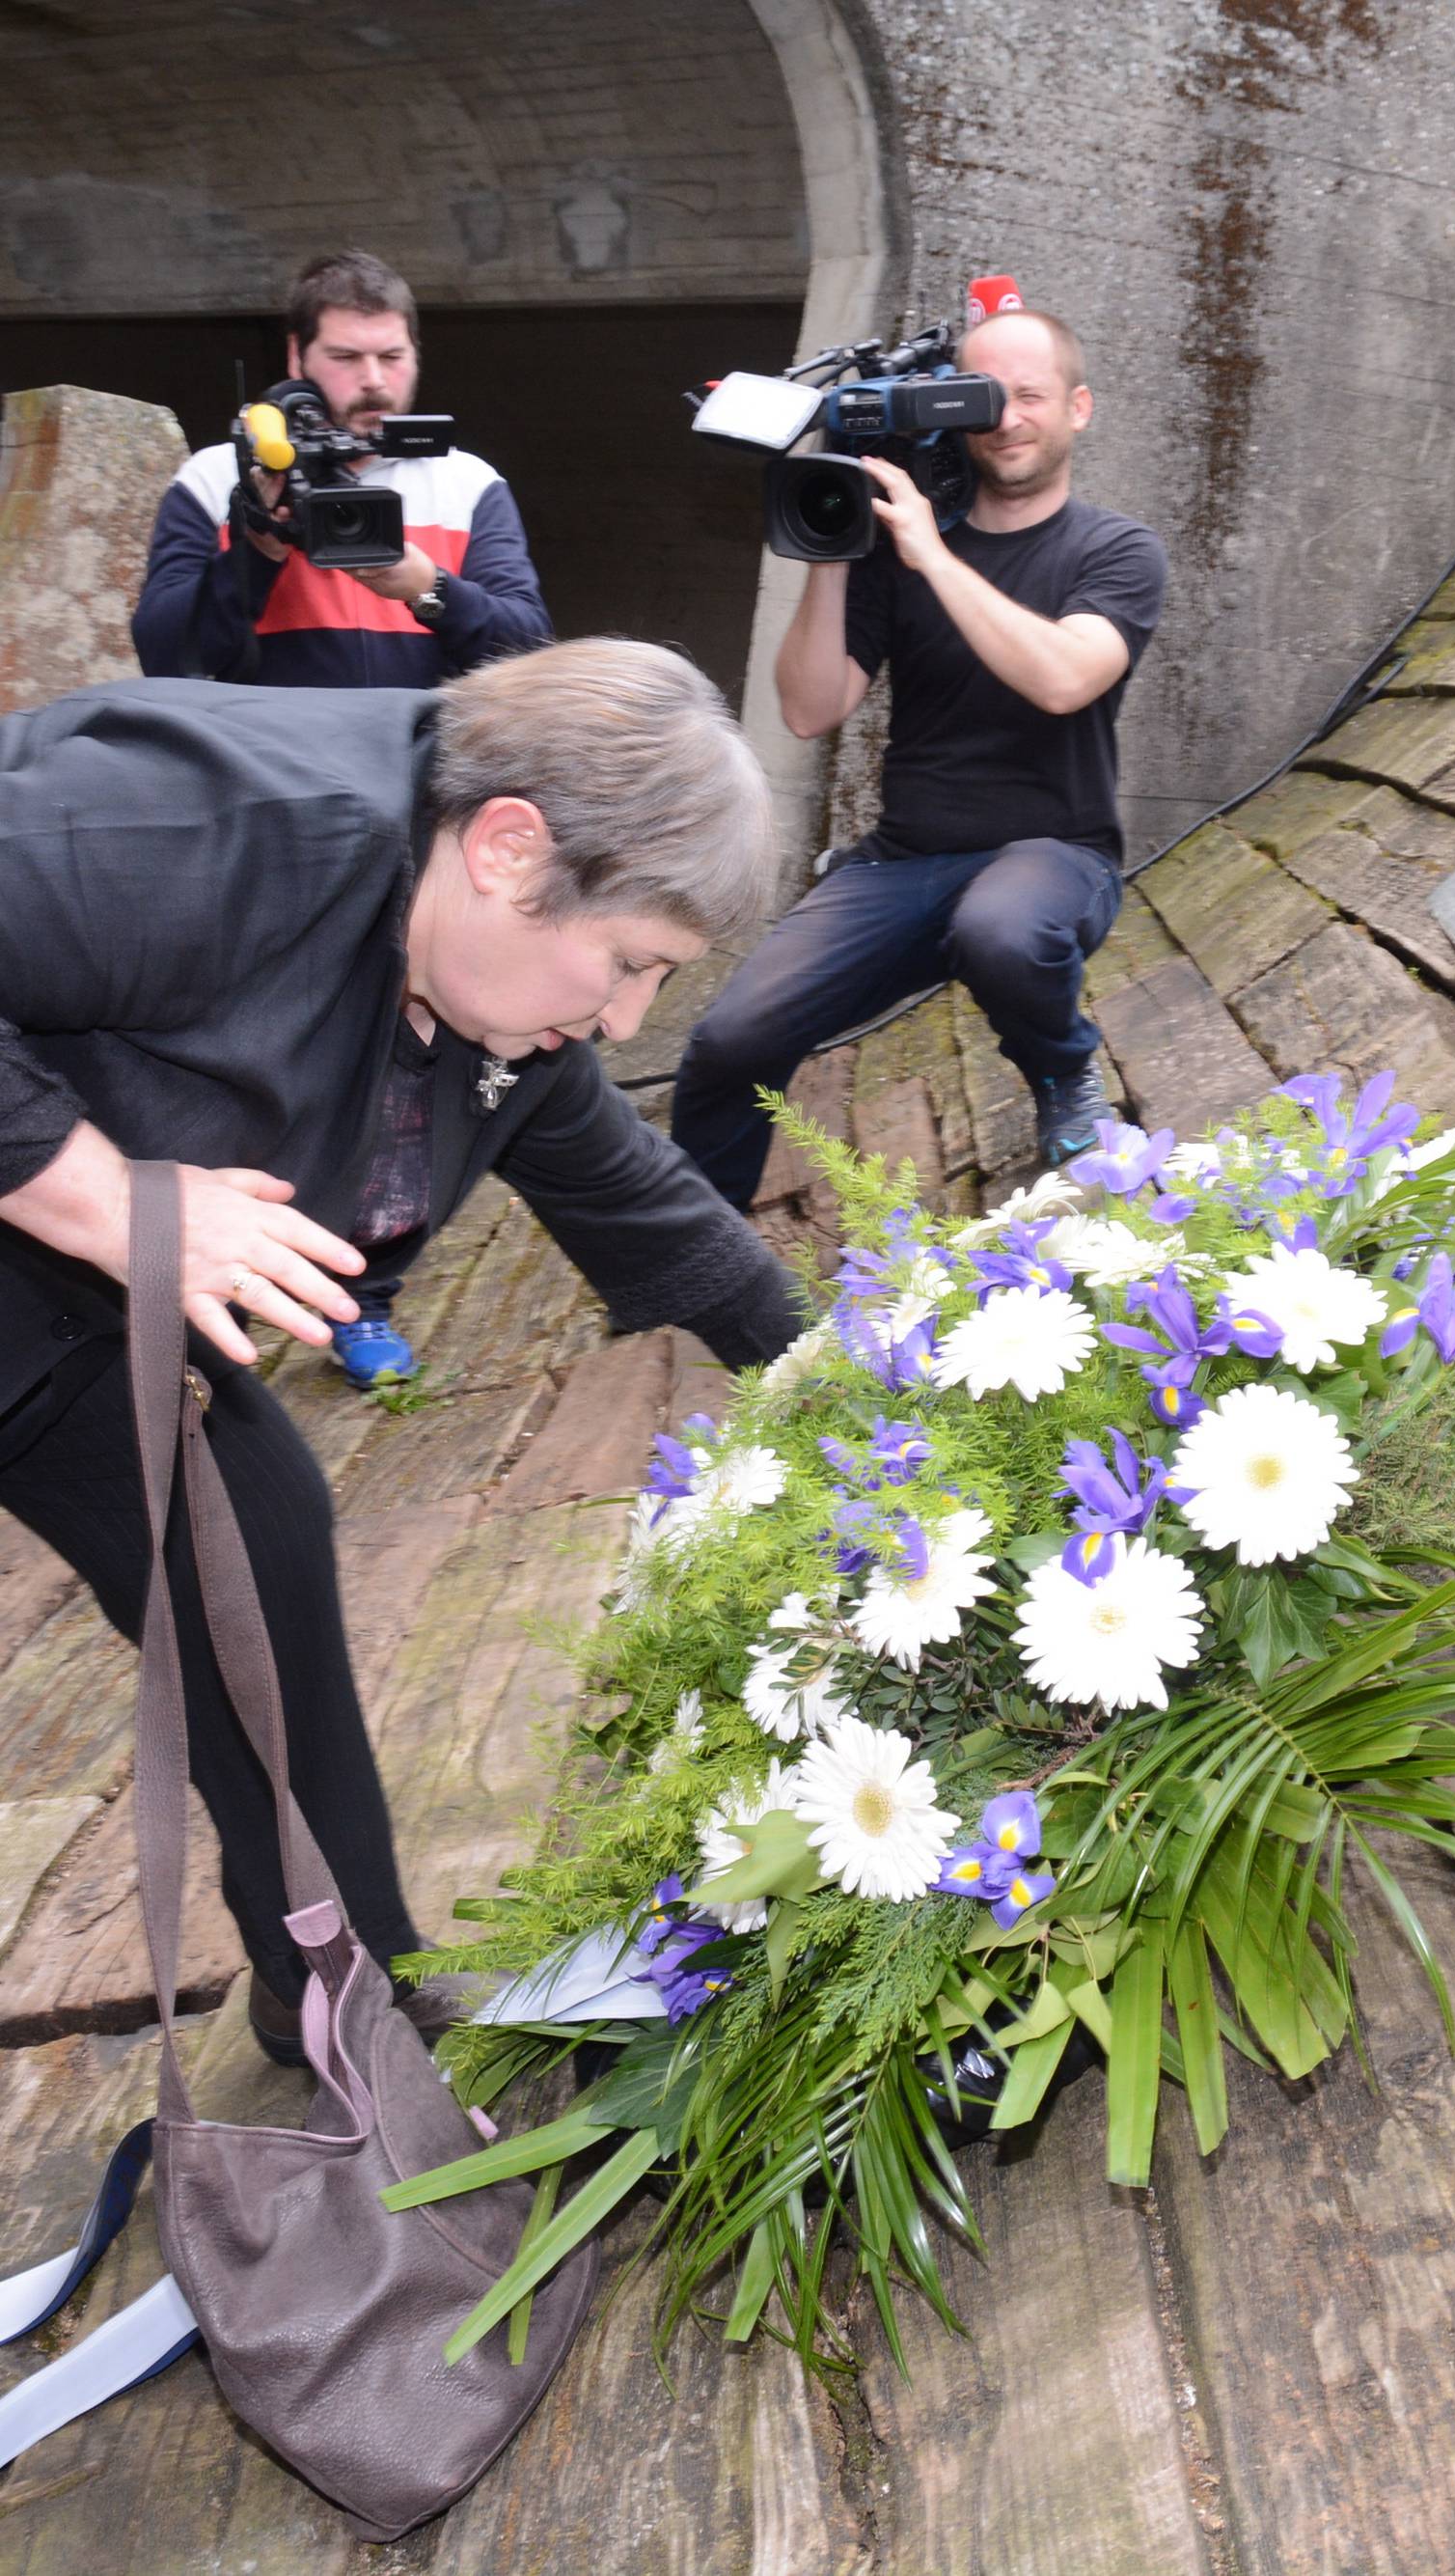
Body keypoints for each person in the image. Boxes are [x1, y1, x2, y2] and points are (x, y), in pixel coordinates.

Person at [0, 639, 802, 2065]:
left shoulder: (484, 992)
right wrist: (107, 1198)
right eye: (626, 965)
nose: (624, 1021)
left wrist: (845, 1386)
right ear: (508, 849)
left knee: (249, 1530)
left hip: (49, 1295)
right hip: (53, 1212)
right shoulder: (232, 834)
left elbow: (640, 1200)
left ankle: (341, 1989)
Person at [132, 248, 554, 1388]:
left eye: (390, 355)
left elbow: (527, 652)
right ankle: (196, 1279)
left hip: (423, 827)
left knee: (409, 1080)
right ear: (296, 360)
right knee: (241, 1065)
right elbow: (168, 660)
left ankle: (362, 1293)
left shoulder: (465, 484)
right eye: (344, 356)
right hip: (263, 825)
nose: (370, 380)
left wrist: (422, 584)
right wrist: (257, 548)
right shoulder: (212, 480)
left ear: (416, 358)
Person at [671, 307, 1167, 1207]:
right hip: (906, 860)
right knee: (729, 1043)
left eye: (1031, 396)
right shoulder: (892, 554)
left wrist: (934, 554)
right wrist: (833, 545)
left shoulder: (1116, 550)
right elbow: (808, 707)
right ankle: (696, 1255)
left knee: (1002, 929)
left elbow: (1064, 679)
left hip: (1052, 856)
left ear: (1079, 408)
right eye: (987, 398)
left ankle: (1064, 1075)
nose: (1009, 418)